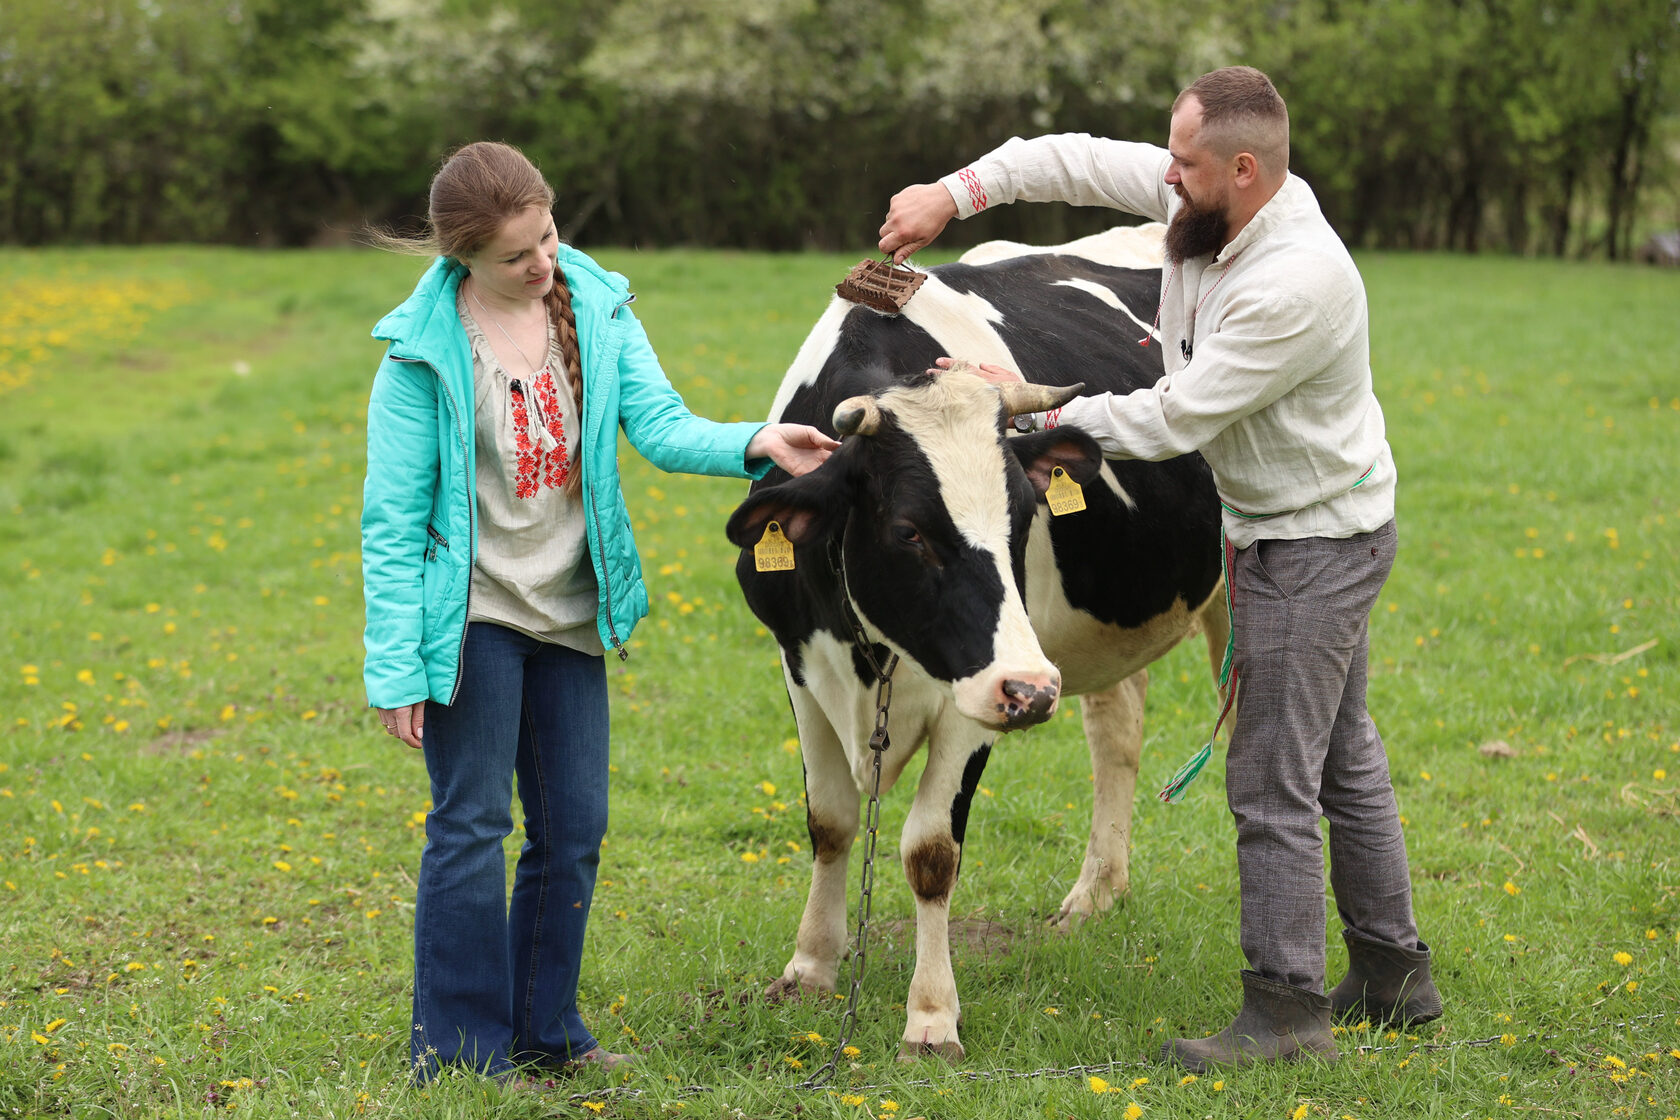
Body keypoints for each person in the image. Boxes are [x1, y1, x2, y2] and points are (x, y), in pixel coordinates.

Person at [878, 66, 1441, 1071]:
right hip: (1300, 519)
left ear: (1244, 168)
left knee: (1271, 777)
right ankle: (1395, 974)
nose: (1163, 178)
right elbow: (1070, 159)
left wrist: (1024, 411)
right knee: (1343, 753)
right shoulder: (1209, 197)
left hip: (1312, 543)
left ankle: (1286, 1011)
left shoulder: (1296, 283)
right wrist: (949, 196)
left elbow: (1171, 417)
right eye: (1168, 157)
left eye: (1182, 164)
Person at [361, 141, 838, 1082]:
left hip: (572, 611)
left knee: (574, 830)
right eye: (516, 256)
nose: (541, 264)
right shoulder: (421, 355)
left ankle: (547, 1032)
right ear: (462, 258)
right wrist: (395, 667)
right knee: (471, 829)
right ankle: (459, 1055)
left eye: (547, 236)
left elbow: (659, 425)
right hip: (473, 618)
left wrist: (757, 440)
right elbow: (391, 523)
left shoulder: (595, 302)